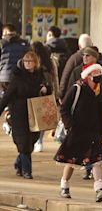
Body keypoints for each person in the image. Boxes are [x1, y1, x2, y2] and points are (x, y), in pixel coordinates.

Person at [54, 63, 102, 202]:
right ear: (88, 75)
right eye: (96, 73)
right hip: (77, 130)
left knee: (97, 161)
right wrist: (70, 125)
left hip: (94, 132)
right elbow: (64, 108)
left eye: (100, 72)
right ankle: (64, 186)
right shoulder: (77, 88)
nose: (99, 75)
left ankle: (99, 189)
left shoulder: (100, 92)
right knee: (72, 161)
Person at [67, 46, 102, 179]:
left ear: (95, 58)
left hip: (96, 122)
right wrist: (68, 122)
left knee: (96, 157)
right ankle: (65, 183)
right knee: (73, 158)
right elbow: (68, 93)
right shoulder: (77, 72)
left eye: (88, 56)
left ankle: (99, 187)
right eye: (83, 56)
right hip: (79, 122)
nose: (84, 58)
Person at [0, 51, 51, 179]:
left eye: (30, 61)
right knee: (23, 143)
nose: (27, 64)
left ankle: (18, 163)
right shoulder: (17, 76)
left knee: (32, 140)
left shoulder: (40, 76)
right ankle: (27, 171)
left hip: (35, 112)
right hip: (19, 113)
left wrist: (46, 89)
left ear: (35, 63)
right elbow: (8, 95)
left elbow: (48, 92)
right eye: (26, 61)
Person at [31, 41, 59, 152]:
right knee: (43, 118)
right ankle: (39, 141)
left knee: (33, 116)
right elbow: (55, 78)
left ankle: (35, 140)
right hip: (47, 92)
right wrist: (56, 95)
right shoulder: (50, 61)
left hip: (33, 92)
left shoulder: (31, 61)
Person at [59, 33, 93, 99]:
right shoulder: (100, 58)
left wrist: (61, 95)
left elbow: (66, 76)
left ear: (79, 46)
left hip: (77, 96)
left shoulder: (74, 58)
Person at [0, 23, 29, 92]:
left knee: (4, 99)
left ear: (6, 32)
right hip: (21, 77)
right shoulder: (24, 44)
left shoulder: (1, 44)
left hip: (4, 78)